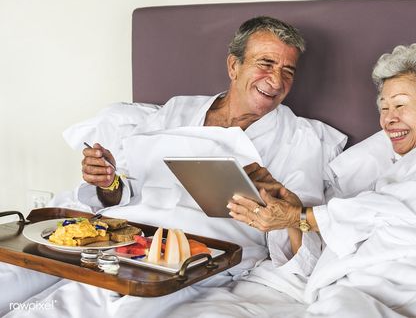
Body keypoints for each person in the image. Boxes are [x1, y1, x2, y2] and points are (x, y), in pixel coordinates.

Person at [1, 16, 346, 317]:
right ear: (233, 66)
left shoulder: (300, 137)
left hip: (197, 252)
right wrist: (108, 183)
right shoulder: (177, 110)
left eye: (288, 70)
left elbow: (302, 228)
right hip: (120, 234)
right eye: (266, 63)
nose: (277, 79)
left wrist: (280, 207)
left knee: (72, 305)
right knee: (13, 278)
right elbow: (126, 188)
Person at [218, 42, 416, 317]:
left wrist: (298, 216)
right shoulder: (392, 168)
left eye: (400, 105)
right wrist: (293, 214)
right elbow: (341, 237)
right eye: (384, 108)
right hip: (359, 281)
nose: (389, 120)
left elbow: (396, 208)